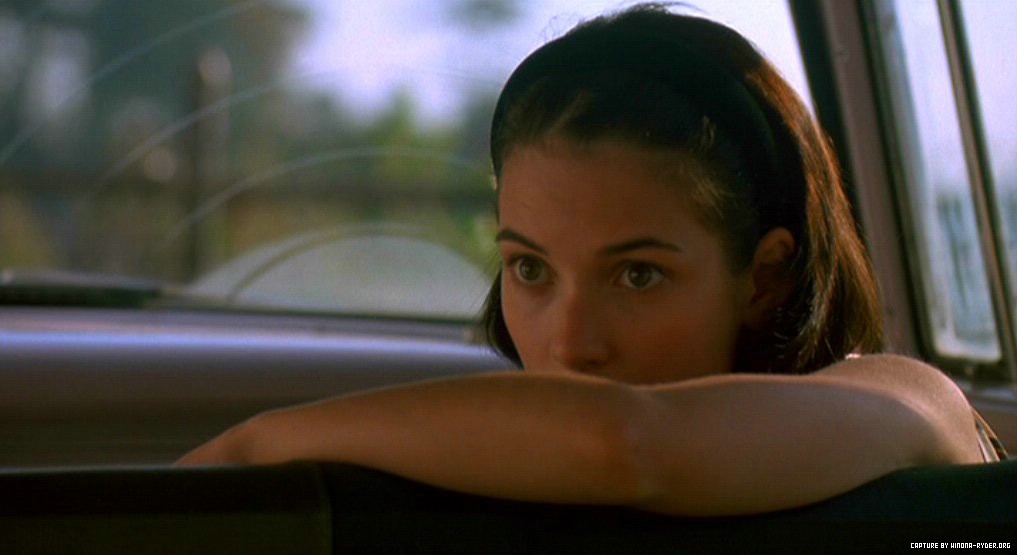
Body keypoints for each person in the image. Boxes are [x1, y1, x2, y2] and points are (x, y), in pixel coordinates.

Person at [178, 4, 1006, 516]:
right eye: (530, 269)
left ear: (764, 277)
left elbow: (629, 446)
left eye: (636, 275)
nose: (570, 341)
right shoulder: (529, 468)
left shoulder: (910, 405)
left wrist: (253, 448)